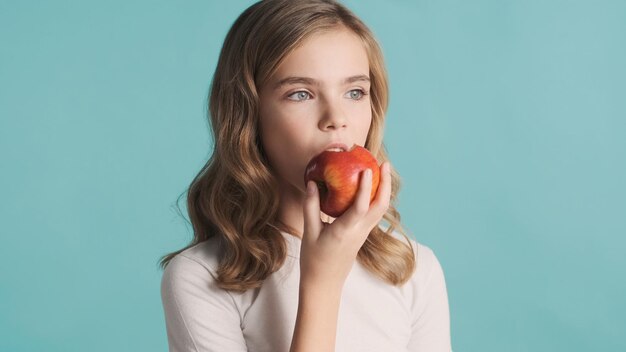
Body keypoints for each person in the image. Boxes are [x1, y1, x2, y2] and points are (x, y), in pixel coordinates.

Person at [159, 1, 451, 351]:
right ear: (249, 116)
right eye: (301, 94)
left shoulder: (413, 270)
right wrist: (322, 282)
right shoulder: (201, 278)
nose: (336, 117)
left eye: (354, 92)